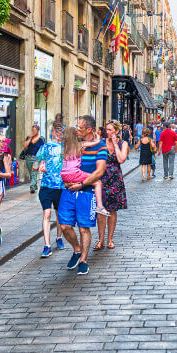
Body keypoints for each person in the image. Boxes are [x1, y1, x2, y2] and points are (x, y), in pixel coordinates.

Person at [58, 116, 107, 275]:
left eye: (80, 128)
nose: (77, 130)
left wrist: (82, 184)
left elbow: (99, 172)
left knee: (83, 228)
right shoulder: (72, 144)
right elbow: (63, 166)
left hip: (86, 193)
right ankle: (77, 249)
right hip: (69, 191)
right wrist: (65, 181)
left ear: (89, 130)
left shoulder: (100, 147)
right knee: (65, 226)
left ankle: (84, 260)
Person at [32, 125, 65, 257]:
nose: (57, 133)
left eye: (60, 131)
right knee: (46, 214)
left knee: (58, 214)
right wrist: (39, 165)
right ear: (51, 132)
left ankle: (59, 237)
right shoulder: (45, 147)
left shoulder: (65, 148)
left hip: (61, 187)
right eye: (55, 131)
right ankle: (47, 245)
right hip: (46, 186)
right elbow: (34, 165)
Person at [95, 120, 128, 251]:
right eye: (106, 130)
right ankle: (101, 239)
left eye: (110, 130)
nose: (107, 132)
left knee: (112, 210)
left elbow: (121, 159)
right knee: (100, 210)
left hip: (115, 180)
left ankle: (110, 239)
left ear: (117, 131)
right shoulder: (101, 143)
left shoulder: (123, 143)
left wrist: (115, 144)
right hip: (102, 179)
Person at [61, 128, 109, 217]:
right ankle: (99, 206)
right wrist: (97, 137)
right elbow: (95, 143)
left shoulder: (64, 147)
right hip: (74, 173)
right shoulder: (79, 145)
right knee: (97, 182)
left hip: (64, 175)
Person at [19, 125, 45, 193]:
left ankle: (32, 186)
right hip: (28, 157)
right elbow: (25, 145)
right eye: (32, 130)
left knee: (34, 172)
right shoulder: (29, 137)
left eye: (35, 130)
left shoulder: (41, 139)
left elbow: (42, 149)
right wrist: (30, 138)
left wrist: (42, 159)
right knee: (31, 172)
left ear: (38, 131)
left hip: (36, 158)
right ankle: (35, 184)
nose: (33, 131)